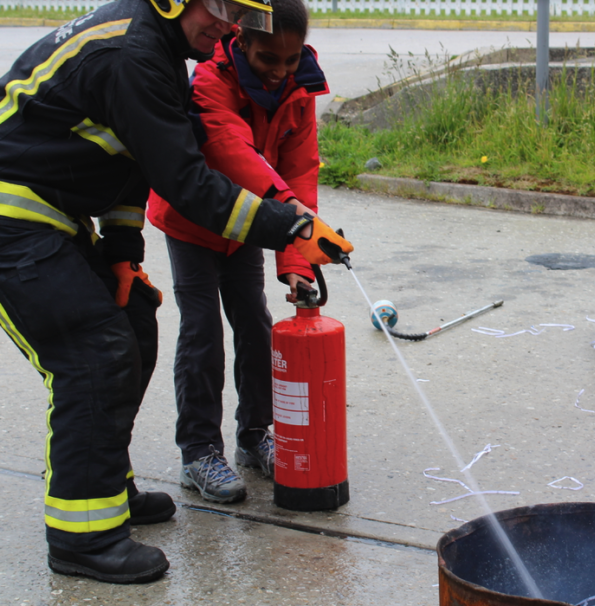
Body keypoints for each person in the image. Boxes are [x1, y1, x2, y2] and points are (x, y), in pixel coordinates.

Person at [0, 0, 352, 586]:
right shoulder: (134, 54)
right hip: (15, 220)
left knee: (132, 326)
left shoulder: (158, 53)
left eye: (238, 12)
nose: (227, 23)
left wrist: (120, 253)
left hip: (53, 216)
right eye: (219, 6)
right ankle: (83, 538)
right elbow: (185, 181)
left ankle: (105, 487)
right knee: (94, 355)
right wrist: (288, 226)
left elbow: (129, 163)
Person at [147, 0, 326, 504]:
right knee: (202, 328)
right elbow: (233, 152)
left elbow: (301, 171)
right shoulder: (208, 81)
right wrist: (292, 219)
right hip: (196, 222)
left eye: (290, 61)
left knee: (255, 323)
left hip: (254, 224)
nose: (279, 71)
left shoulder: (299, 90)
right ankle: (199, 451)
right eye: (268, 57)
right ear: (240, 40)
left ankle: (253, 435)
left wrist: (295, 260)